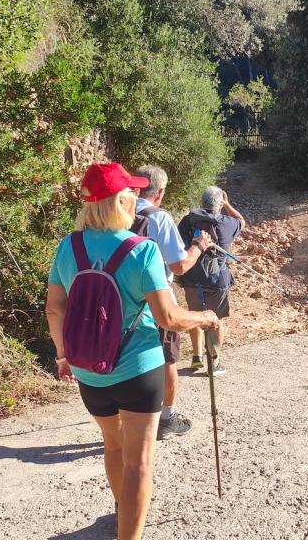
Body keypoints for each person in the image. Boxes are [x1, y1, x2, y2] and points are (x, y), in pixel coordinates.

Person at [45, 162, 219, 540]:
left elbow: (54, 307)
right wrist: (204, 317)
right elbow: (169, 318)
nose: (137, 198)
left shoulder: (68, 246)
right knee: (140, 460)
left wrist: (63, 356)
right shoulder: (142, 251)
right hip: (139, 370)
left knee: (113, 445)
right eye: (132, 193)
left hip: (89, 371)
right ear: (122, 199)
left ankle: (125, 511)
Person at [130, 164, 212, 439]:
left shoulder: (118, 210)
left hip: (124, 297)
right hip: (157, 297)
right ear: (161, 192)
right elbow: (178, 266)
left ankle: (129, 412)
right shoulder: (159, 218)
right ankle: (167, 417)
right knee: (167, 357)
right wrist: (199, 246)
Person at [177, 186, 245, 376]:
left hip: (191, 278)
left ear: (202, 202)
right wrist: (228, 204)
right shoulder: (229, 223)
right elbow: (242, 221)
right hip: (217, 281)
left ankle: (197, 357)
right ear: (219, 204)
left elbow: (179, 243)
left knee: (194, 316)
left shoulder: (187, 220)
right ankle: (214, 363)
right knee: (216, 320)